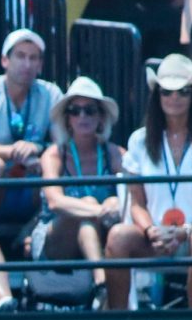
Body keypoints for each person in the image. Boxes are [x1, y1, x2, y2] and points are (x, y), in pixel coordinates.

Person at [105, 53, 192, 310]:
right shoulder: (138, 141)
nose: (174, 98)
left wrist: (186, 230)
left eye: (183, 91)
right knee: (118, 236)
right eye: (166, 92)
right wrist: (152, 231)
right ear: (157, 96)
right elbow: (137, 204)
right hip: (155, 237)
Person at [30, 77, 126, 295]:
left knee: (109, 206)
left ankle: (100, 283)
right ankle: (102, 280)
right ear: (67, 119)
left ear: (101, 117)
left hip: (103, 233)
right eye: (75, 110)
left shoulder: (115, 154)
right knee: (90, 205)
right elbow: (55, 201)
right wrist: (100, 209)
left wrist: (115, 204)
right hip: (56, 237)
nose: (82, 116)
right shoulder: (55, 154)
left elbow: (134, 197)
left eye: (90, 110)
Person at [0, 28, 61, 227]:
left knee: (54, 164)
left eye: (33, 58)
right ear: (5, 61)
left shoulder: (52, 93)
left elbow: (62, 143)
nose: (27, 64)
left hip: (32, 175)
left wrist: (38, 150)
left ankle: (34, 230)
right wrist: (12, 152)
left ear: (40, 65)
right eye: (20, 56)